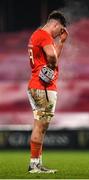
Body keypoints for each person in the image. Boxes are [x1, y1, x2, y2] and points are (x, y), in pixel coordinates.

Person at [27, 10, 68, 173]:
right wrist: (50, 67)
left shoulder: (36, 35)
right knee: (40, 125)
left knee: (41, 126)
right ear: (56, 24)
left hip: (36, 84)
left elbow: (52, 57)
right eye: (61, 30)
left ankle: (36, 164)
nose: (60, 34)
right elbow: (52, 57)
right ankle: (34, 165)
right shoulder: (44, 36)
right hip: (42, 86)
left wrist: (62, 43)